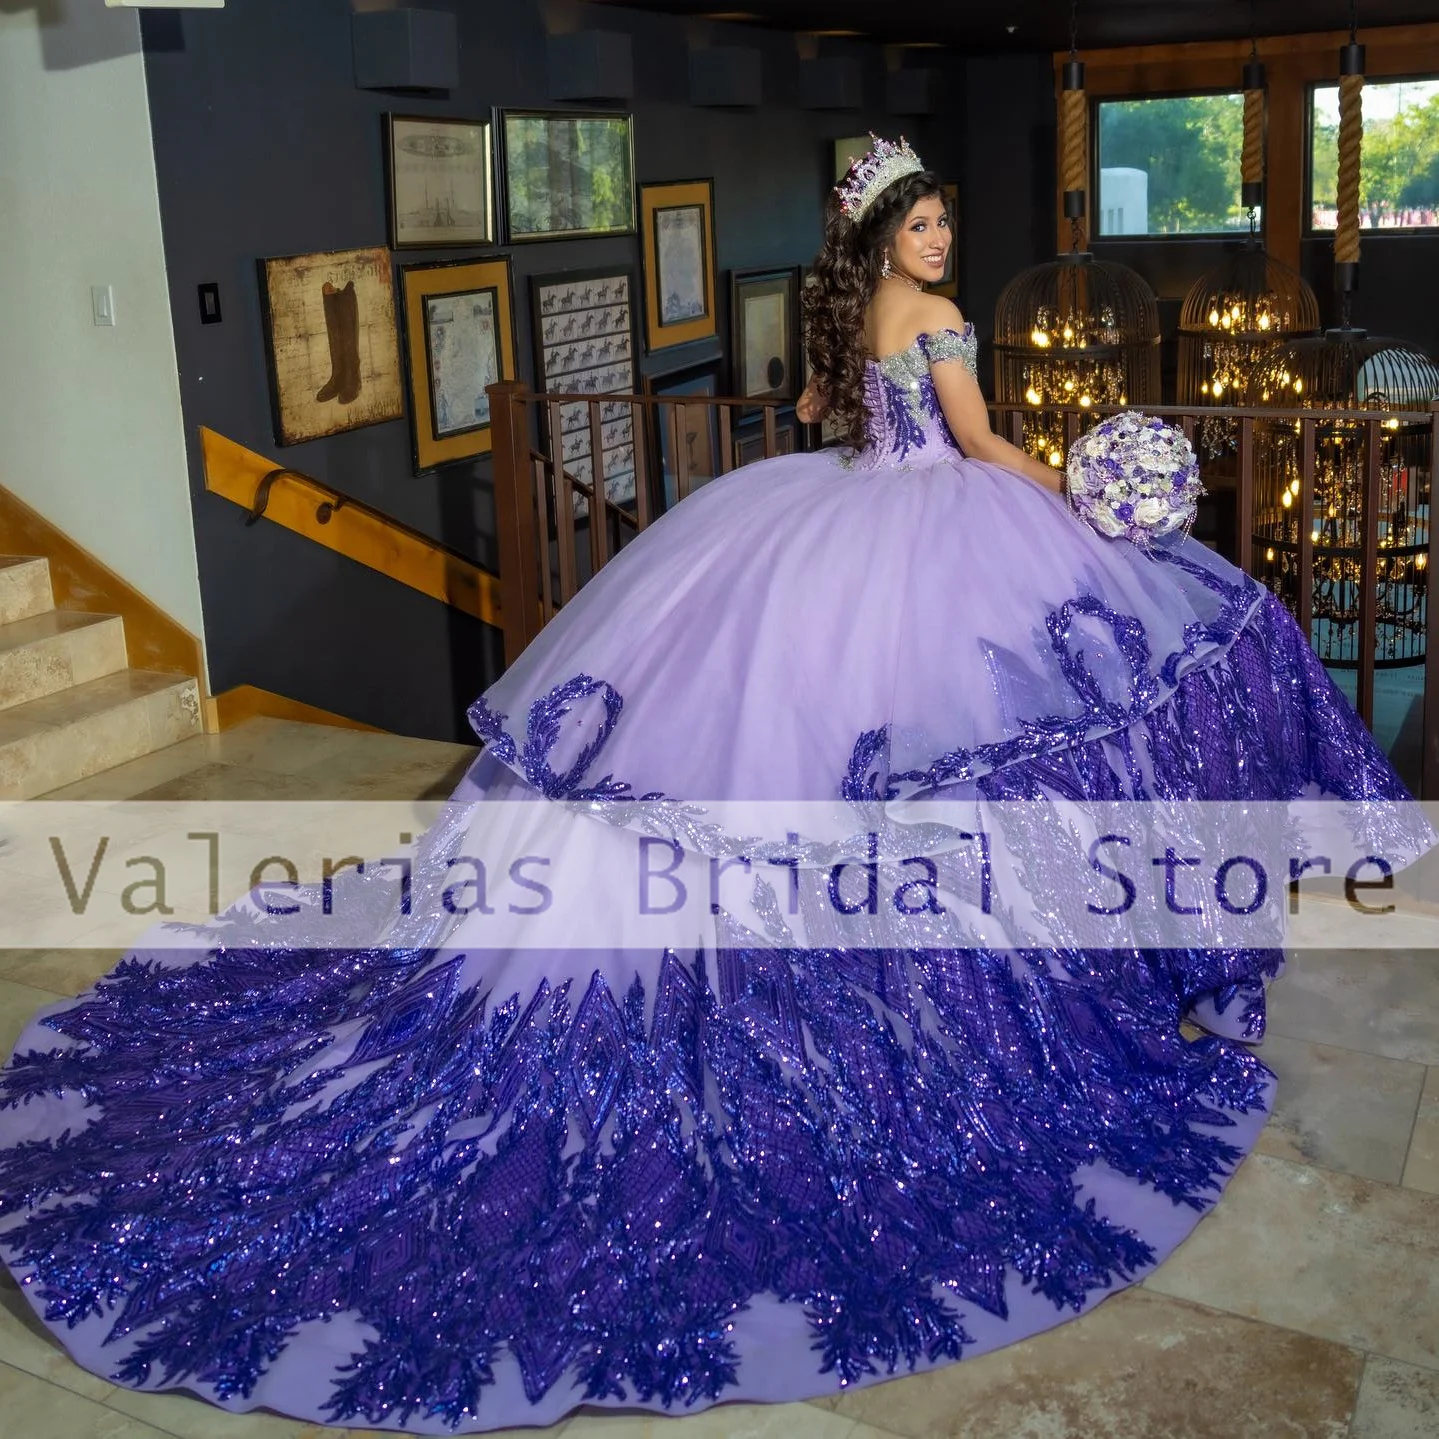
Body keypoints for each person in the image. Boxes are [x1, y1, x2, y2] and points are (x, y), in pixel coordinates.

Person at [0, 138, 1426, 1434]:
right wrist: (1087, 498)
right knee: (973, 733)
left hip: (831, 520)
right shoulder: (933, 323)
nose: (937, 239)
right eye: (919, 222)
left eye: (941, 219)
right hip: (939, 535)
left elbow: (827, 410)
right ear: (884, 238)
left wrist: (888, 429)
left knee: (785, 738)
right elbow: (979, 442)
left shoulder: (849, 321)